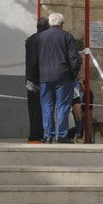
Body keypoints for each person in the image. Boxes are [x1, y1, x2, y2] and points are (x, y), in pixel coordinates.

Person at [37, 13, 81, 144]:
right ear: (62, 24)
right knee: (63, 106)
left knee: (47, 106)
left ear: (50, 23)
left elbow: (36, 58)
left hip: (45, 76)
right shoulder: (67, 36)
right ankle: (61, 135)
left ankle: (48, 135)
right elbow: (74, 59)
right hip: (63, 76)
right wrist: (73, 75)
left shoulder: (41, 37)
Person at [25, 17, 49, 144]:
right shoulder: (44, 39)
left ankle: (33, 135)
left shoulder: (29, 40)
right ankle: (40, 135)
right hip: (42, 78)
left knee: (32, 108)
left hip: (30, 78)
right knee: (44, 108)